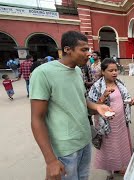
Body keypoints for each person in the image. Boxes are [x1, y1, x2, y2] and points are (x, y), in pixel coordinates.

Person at [29, 31, 113, 180]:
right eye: (84, 49)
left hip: (84, 140)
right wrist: (50, 160)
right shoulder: (42, 73)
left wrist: (97, 107)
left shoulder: (77, 71)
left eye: (88, 49)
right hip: (65, 149)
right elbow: (37, 119)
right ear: (67, 49)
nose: (89, 54)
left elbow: (79, 101)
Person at [88, 58, 134, 180]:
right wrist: (103, 96)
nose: (114, 73)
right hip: (107, 125)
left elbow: (125, 99)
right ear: (103, 72)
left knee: (121, 144)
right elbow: (92, 108)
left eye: (116, 70)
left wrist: (130, 101)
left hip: (121, 121)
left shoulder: (119, 83)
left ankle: (120, 167)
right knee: (110, 148)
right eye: (111, 70)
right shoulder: (97, 87)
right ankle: (110, 173)